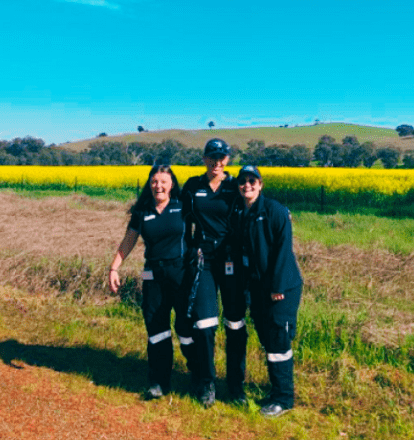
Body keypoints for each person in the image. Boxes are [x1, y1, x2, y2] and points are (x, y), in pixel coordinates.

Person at [109, 165, 197, 399]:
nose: (158, 186)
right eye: (154, 182)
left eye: (163, 181)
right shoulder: (143, 211)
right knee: (157, 329)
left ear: (172, 184)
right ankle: (159, 381)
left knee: (186, 328)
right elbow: (129, 240)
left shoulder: (183, 206)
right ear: (150, 185)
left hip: (181, 275)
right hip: (153, 278)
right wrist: (114, 267)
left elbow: (212, 218)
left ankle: (198, 375)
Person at [181, 138, 247, 407]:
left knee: (235, 325)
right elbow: (181, 221)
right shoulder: (192, 186)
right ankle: (206, 381)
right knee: (205, 325)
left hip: (231, 263)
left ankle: (235, 384)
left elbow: (258, 205)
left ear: (228, 159)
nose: (217, 161)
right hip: (203, 262)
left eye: (222, 157)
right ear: (204, 158)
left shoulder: (236, 185)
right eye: (212, 156)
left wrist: (281, 213)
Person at [233, 165, 303, 417]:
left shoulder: (275, 211)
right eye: (243, 181)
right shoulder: (242, 212)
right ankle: (277, 391)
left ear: (261, 184)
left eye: (252, 181)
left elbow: (283, 251)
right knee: (268, 339)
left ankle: (284, 400)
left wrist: (277, 287)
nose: (247, 185)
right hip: (258, 288)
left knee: (278, 341)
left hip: (281, 288)